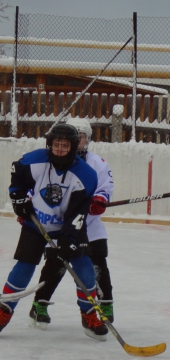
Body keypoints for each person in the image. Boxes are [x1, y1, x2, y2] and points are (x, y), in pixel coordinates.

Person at [0, 123, 108, 341]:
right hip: (35, 224)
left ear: (74, 146)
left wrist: (68, 241)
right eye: (56, 144)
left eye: (64, 145)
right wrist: (18, 199)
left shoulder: (85, 175)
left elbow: (77, 215)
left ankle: (88, 314)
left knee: (84, 268)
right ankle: (3, 311)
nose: (59, 149)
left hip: (69, 226)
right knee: (24, 267)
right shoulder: (35, 160)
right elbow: (16, 175)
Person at [28, 117, 115, 329]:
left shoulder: (97, 163)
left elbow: (106, 186)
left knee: (97, 264)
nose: (79, 141)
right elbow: (33, 186)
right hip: (58, 225)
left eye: (82, 137)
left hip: (90, 226)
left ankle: (104, 305)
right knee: (55, 264)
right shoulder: (51, 161)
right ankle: (39, 304)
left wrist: (100, 200)